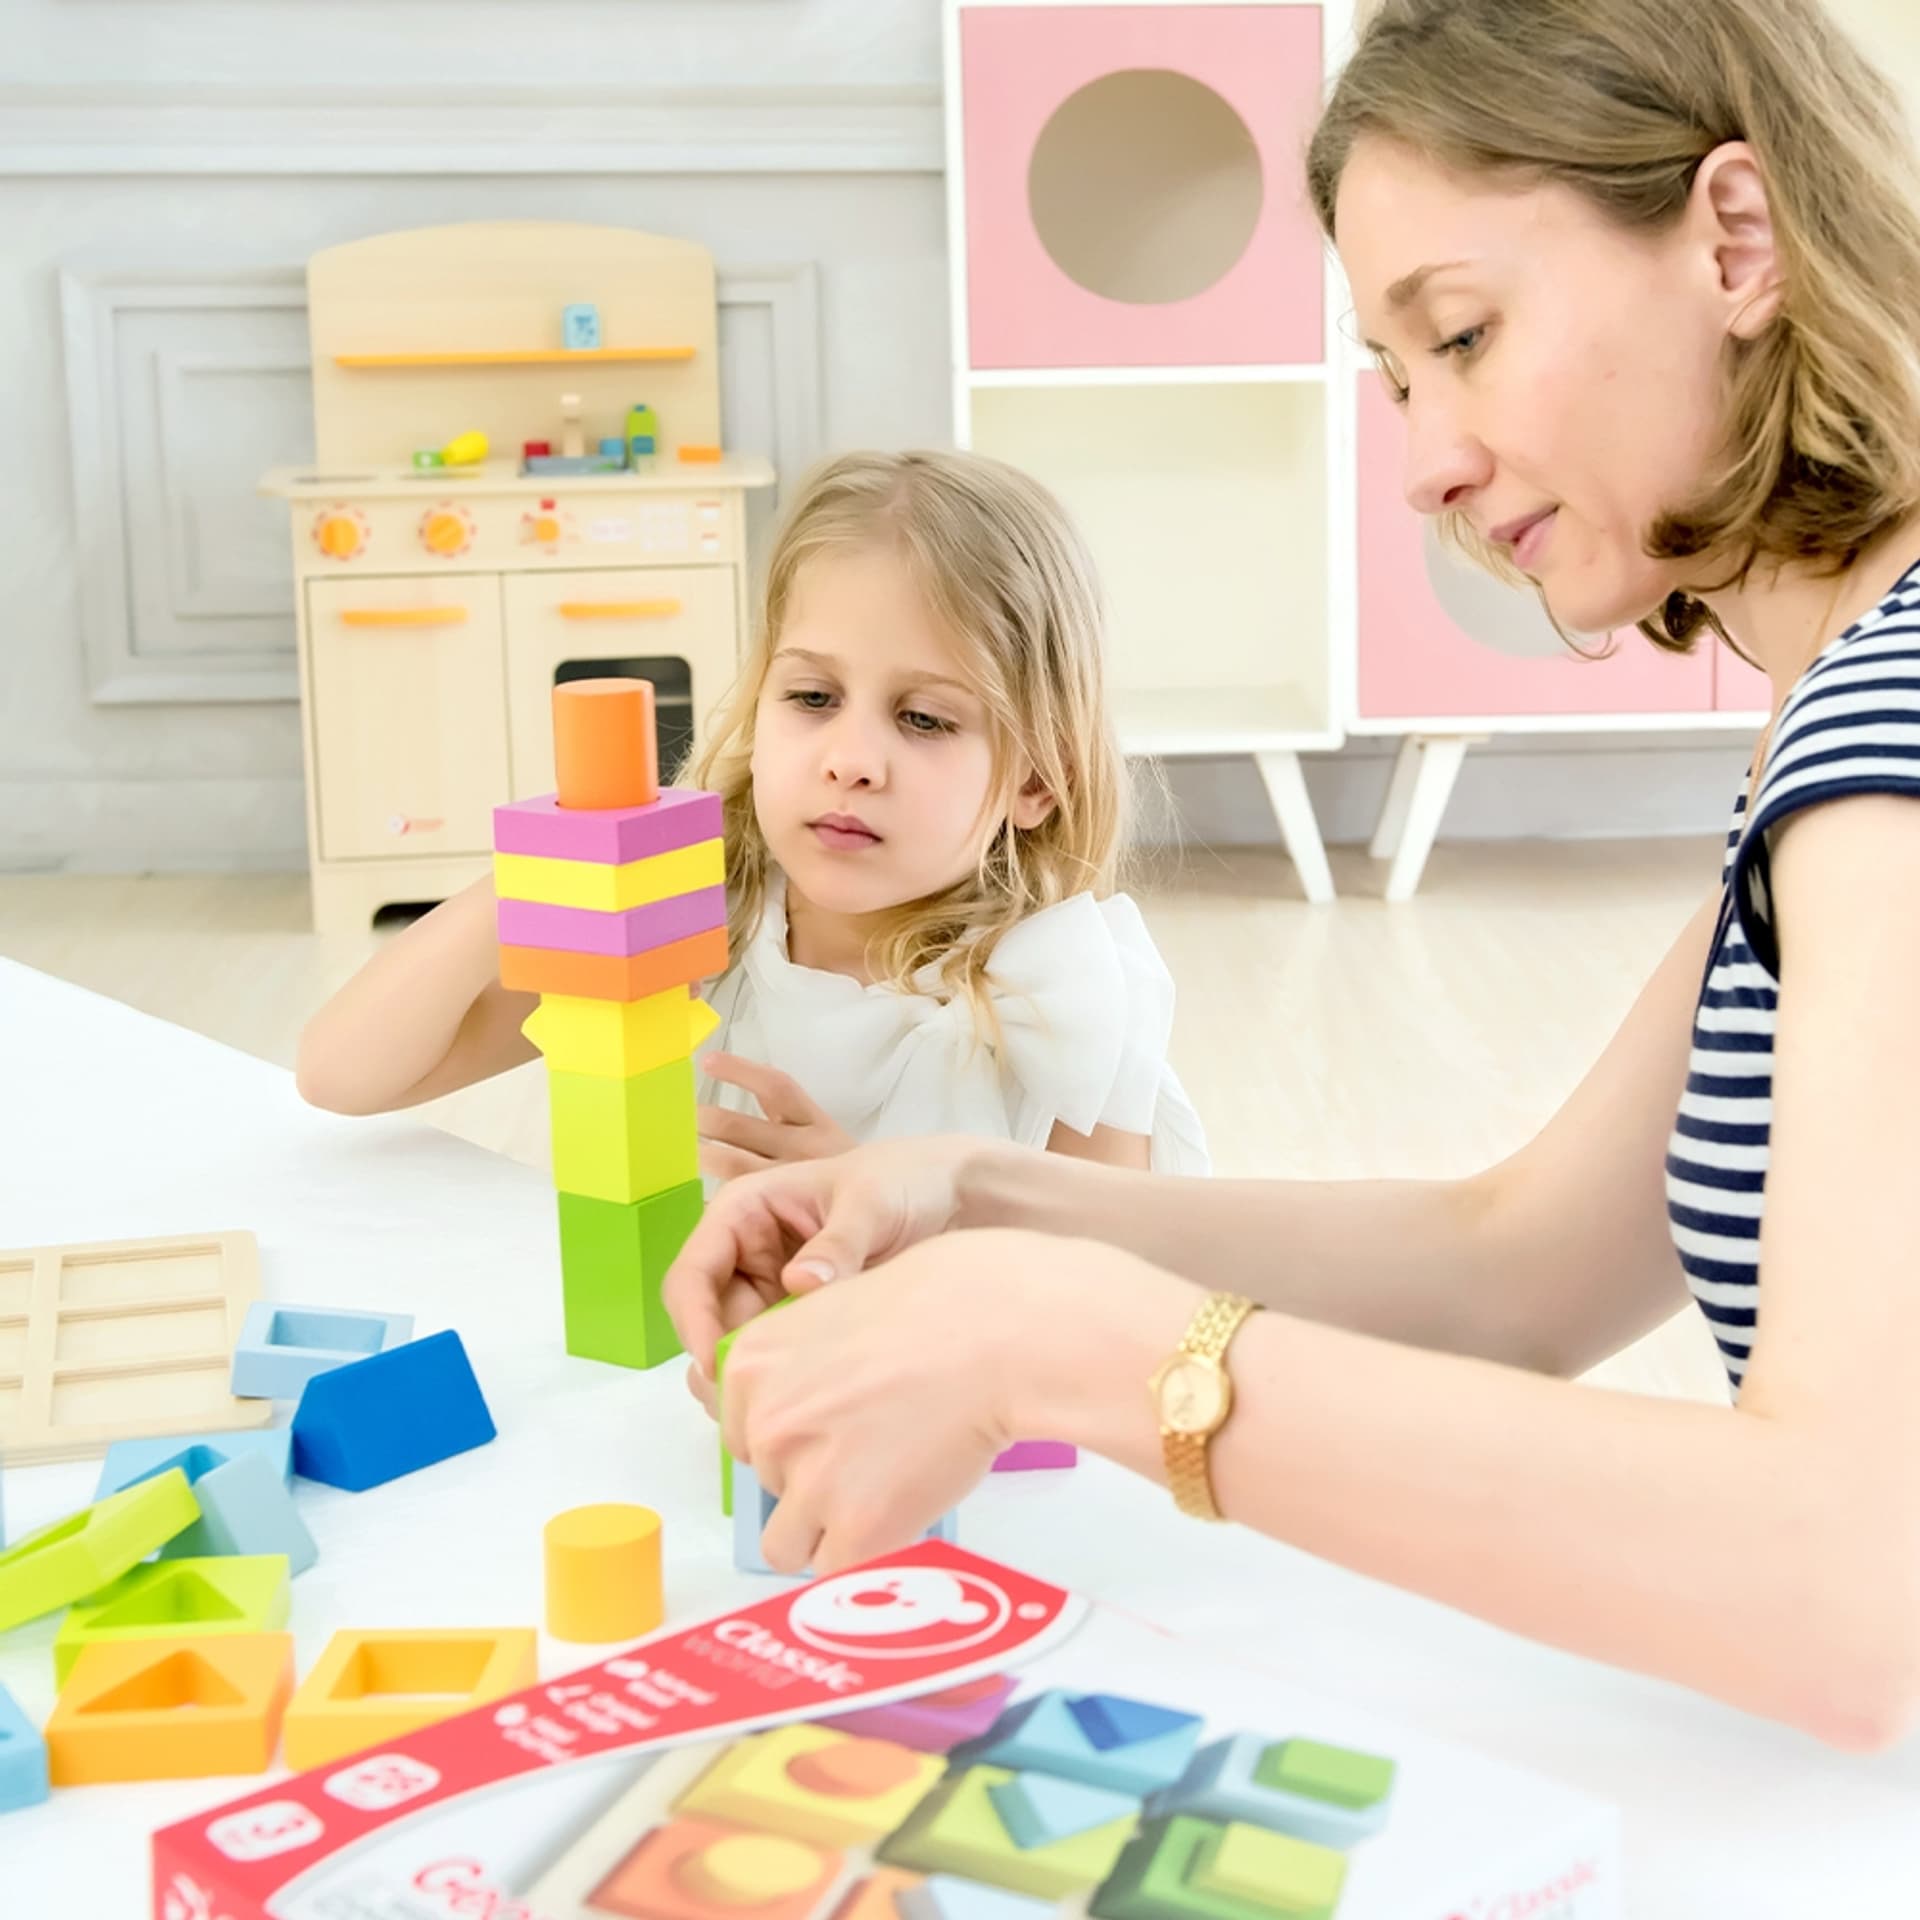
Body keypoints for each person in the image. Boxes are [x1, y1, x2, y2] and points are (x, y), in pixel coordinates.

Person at [664, 0, 1920, 1750]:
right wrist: (975, 1198)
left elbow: (1848, 1587)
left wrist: (1068, 1343)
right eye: (1401, 381)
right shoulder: (1847, 722)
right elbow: (1518, 1273)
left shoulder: (1889, 755)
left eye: (1464, 337)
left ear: (1736, 235)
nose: (1426, 466)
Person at [296, 450, 1208, 1180]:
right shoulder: (696, 927)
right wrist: (541, 878)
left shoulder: (1058, 991)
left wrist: (873, 1201)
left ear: (1036, 781)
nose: (849, 759)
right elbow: (344, 1076)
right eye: (812, 696)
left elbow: (1102, 1286)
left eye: (924, 718)